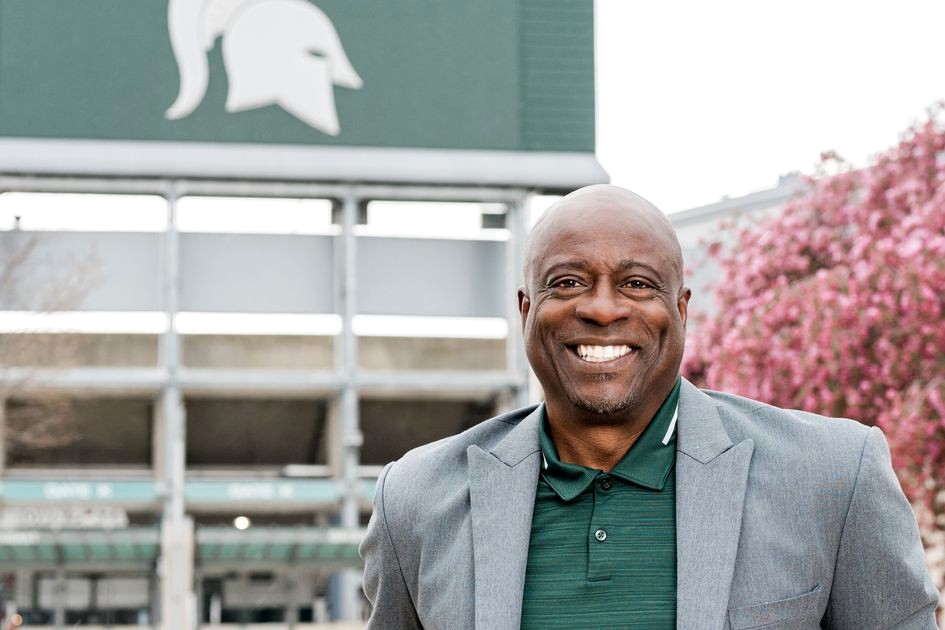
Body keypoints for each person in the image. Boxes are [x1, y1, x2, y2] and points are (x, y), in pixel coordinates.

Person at [360, 184, 940, 629]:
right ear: (525, 309)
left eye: (637, 284)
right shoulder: (414, 501)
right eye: (566, 283)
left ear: (680, 310)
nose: (604, 309)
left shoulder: (835, 476)